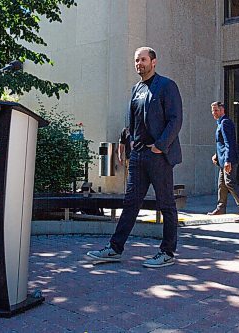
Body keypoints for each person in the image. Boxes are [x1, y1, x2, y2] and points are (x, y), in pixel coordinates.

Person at [87, 47, 183, 268]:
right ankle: (115, 248)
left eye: (143, 60)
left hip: (158, 156)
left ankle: (167, 252)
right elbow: (133, 122)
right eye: (136, 60)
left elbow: (175, 120)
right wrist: (128, 143)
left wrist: (160, 146)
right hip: (138, 156)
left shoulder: (166, 86)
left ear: (154, 62)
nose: (139, 63)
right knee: (130, 203)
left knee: (166, 204)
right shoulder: (136, 89)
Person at [207, 101, 239, 222]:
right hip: (223, 160)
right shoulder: (220, 123)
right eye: (212, 111)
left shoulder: (225, 123)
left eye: (216, 110)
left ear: (222, 110)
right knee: (222, 184)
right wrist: (217, 155)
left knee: (230, 183)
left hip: (229, 160)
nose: (214, 113)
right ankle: (220, 208)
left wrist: (228, 160)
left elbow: (229, 143)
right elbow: (221, 144)